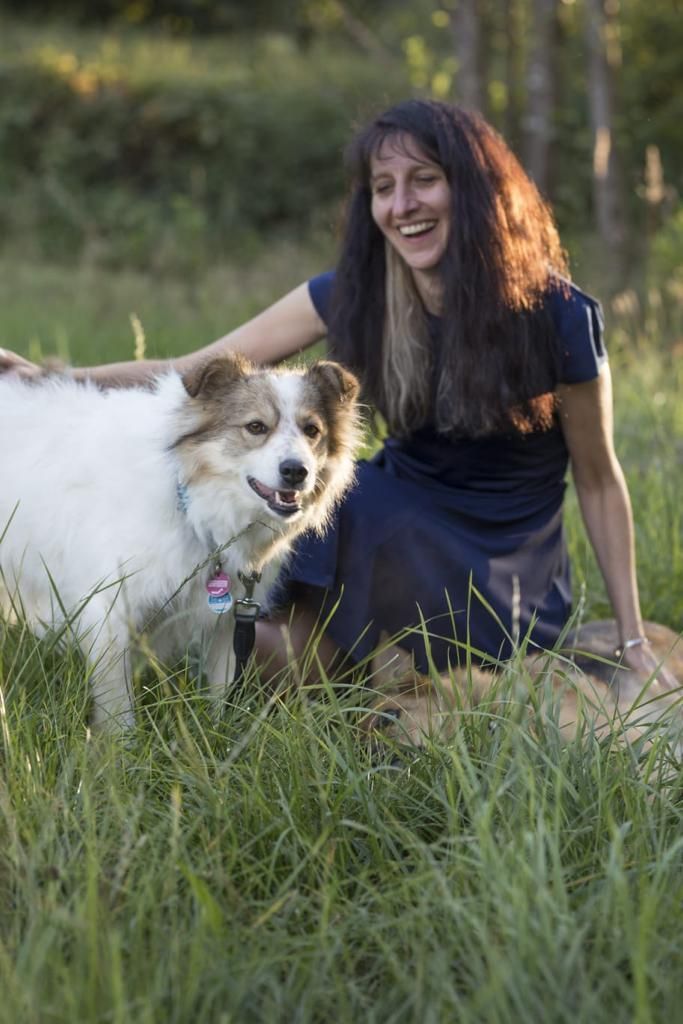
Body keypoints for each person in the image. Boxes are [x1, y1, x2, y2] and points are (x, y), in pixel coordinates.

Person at [0, 99, 671, 688]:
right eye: (383, 187)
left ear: (472, 191)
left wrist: (633, 635)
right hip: (387, 509)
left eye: (424, 181)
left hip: (498, 552)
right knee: (256, 631)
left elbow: (600, 481)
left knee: (304, 621)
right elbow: (191, 365)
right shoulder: (353, 293)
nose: (402, 205)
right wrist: (46, 378)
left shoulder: (557, 314)